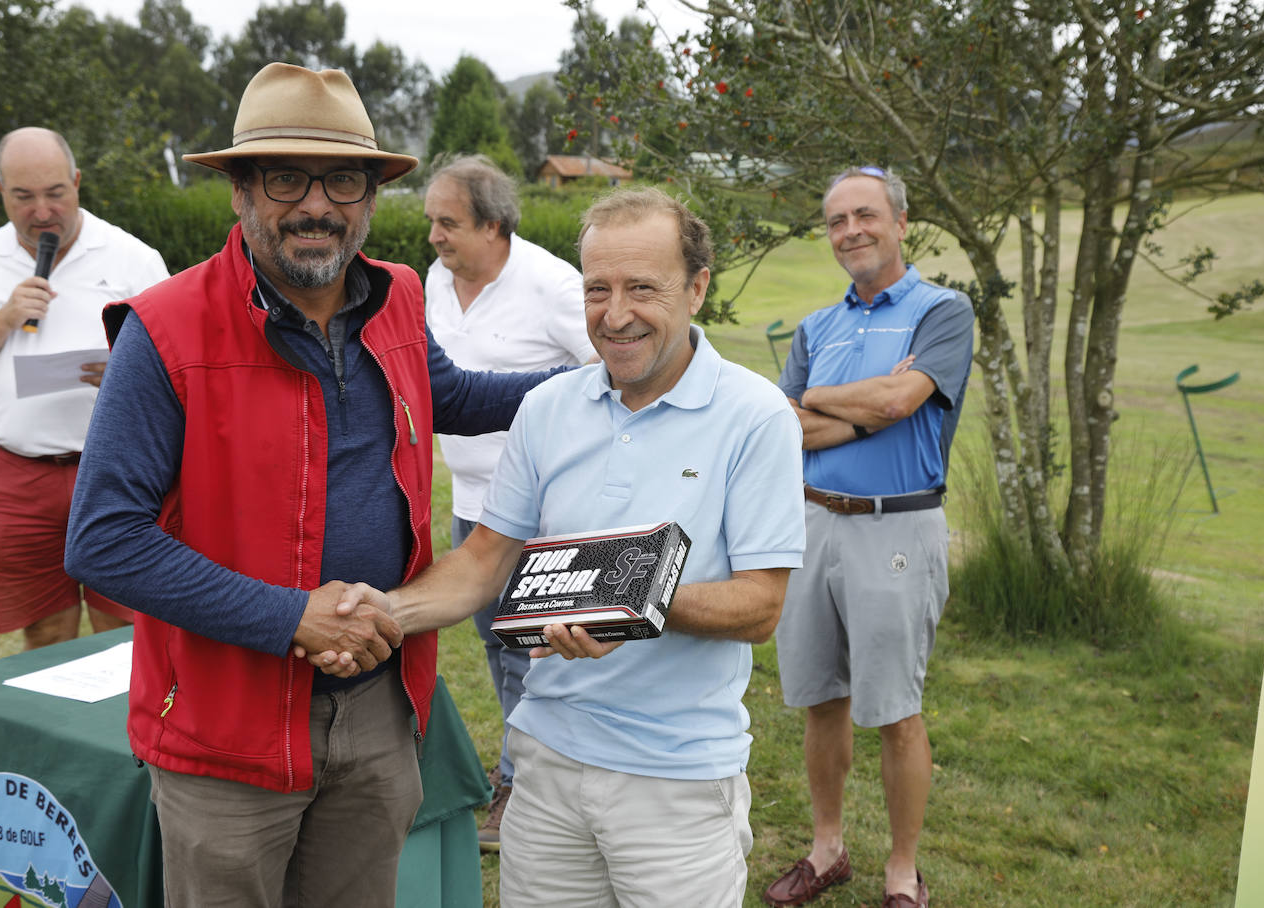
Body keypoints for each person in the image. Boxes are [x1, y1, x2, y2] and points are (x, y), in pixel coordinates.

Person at [63, 62, 560, 907]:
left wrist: (590, 383)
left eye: (342, 178)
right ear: (241, 193)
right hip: (226, 726)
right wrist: (291, 617)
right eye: (287, 177)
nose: (317, 204)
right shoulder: (167, 329)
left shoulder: (399, 295)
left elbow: (451, 396)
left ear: (370, 196)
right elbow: (103, 539)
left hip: (375, 701)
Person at [312, 187, 805, 906]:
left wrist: (625, 602)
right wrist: (380, 610)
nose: (615, 314)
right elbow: (484, 561)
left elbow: (761, 605)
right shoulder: (548, 408)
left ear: (697, 288)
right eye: (596, 289)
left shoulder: (755, 416)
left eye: (643, 288)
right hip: (544, 765)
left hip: (677, 780)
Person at [761, 166, 975, 908]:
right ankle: (828, 851)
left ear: (900, 222)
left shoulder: (941, 312)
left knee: (895, 707)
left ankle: (902, 873)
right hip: (814, 521)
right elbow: (788, 425)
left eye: (865, 215)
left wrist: (825, 399)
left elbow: (900, 398)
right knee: (822, 700)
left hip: (898, 526)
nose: (850, 230)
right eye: (836, 221)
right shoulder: (817, 327)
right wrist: (861, 407)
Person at [423, 153, 598, 850]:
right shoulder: (436, 280)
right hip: (472, 500)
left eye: (448, 223)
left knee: (531, 652)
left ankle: (527, 791)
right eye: (431, 221)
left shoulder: (552, 283)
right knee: (497, 649)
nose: (434, 236)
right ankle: (517, 772)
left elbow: (607, 361)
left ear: (495, 225)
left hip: (540, 509)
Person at [0, 127, 168, 650]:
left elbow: (180, 368)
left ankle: (122, 734)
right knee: (45, 636)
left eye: (55, 193)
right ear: (0, 190)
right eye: (24, 196)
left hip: (120, 471)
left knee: (130, 632)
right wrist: (4, 318)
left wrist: (130, 376)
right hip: (15, 477)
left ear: (78, 182)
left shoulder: (132, 258)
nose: (42, 211)